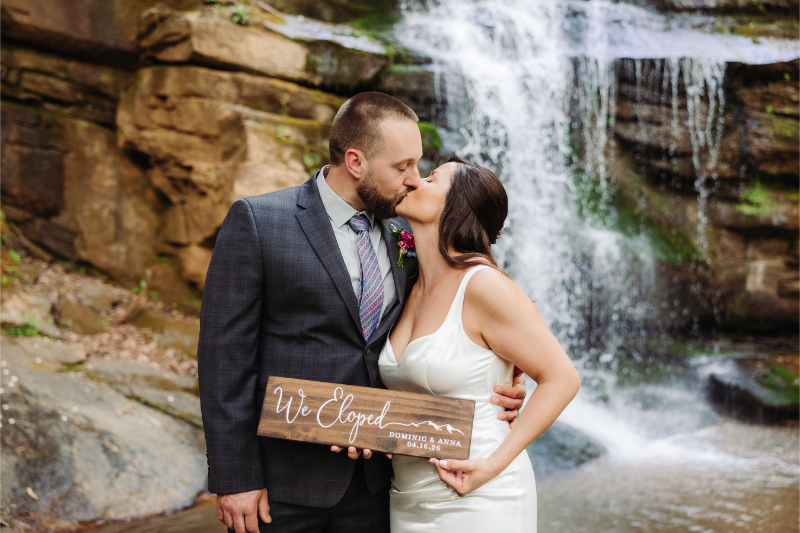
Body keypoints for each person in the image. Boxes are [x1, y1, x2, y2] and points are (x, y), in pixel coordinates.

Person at [197, 92, 527, 533]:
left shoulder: (408, 231)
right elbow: (223, 360)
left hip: (379, 485)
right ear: (355, 161)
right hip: (282, 485)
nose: (413, 180)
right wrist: (235, 478)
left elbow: (451, 322)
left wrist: (501, 373)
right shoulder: (259, 222)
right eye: (402, 166)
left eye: (418, 165)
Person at [378, 157, 581, 532]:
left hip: (481, 494)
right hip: (407, 495)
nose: (414, 180)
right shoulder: (408, 282)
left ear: (456, 208)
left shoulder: (483, 285)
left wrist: (493, 464)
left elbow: (562, 378)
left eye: (431, 178)